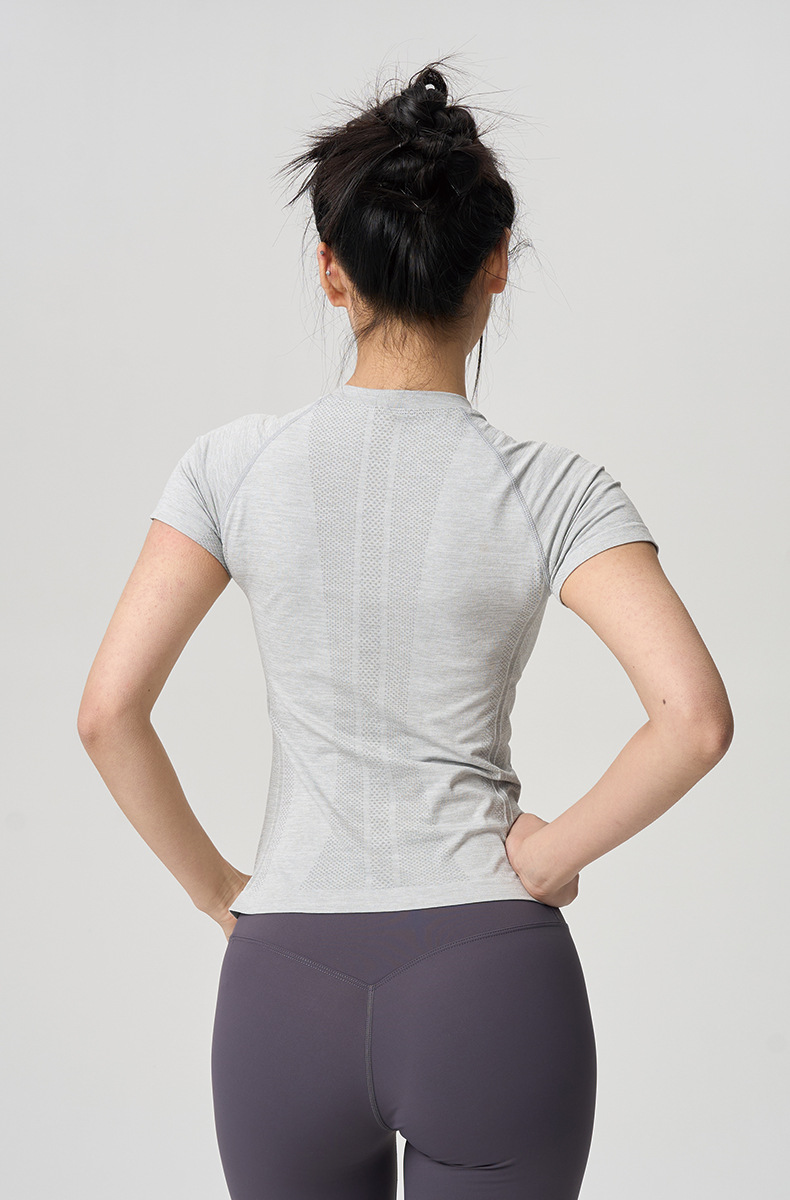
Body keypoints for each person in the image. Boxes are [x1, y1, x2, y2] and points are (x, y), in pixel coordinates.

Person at [78, 59, 734, 1200]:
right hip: (490, 979)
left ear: (332, 272)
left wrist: (221, 893)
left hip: (282, 982)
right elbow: (693, 720)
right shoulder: (554, 488)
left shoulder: (231, 468)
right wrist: (547, 855)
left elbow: (107, 714)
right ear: (497, 264)